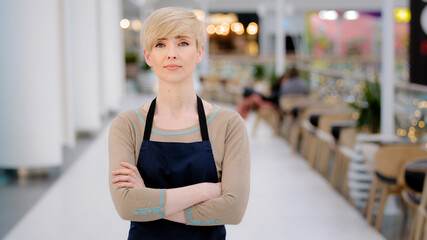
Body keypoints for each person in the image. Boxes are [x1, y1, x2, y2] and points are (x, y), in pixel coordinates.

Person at [109, 7, 250, 240]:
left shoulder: (228, 125)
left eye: (183, 43)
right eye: (160, 44)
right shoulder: (127, 125)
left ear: (199, 52)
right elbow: (126, 206)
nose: (171, 53)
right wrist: (203, 190)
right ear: (147, 56)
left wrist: (147, 199)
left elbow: (233, 211)